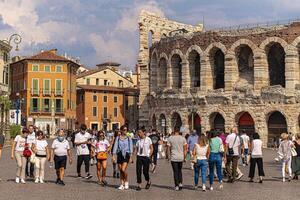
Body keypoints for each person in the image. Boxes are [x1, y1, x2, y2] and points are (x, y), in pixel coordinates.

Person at [112, 125, 133, 190]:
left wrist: (131, 156)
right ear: (121, 130)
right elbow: (115, 146)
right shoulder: (118, 138)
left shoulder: (128, 138)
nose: (125, 131)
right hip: (119, 154)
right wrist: (113, 155)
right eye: (124, 130)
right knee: (120, 170)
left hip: (126, 154)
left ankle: (126, 181)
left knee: (123, 169)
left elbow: (131, 146)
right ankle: (121, 184)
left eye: (126, 130)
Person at [167, 126, 187, 191]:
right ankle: (180, 183)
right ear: (179, 131)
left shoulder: (170, 138)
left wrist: (168, 156)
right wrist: (185, 157)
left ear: (174, 130)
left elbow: (168, 148)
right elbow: (185, 149)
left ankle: (176, 186)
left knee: (175, 172)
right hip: (181, 157)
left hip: (174, 157)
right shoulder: (183, 138)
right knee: (180, 171)